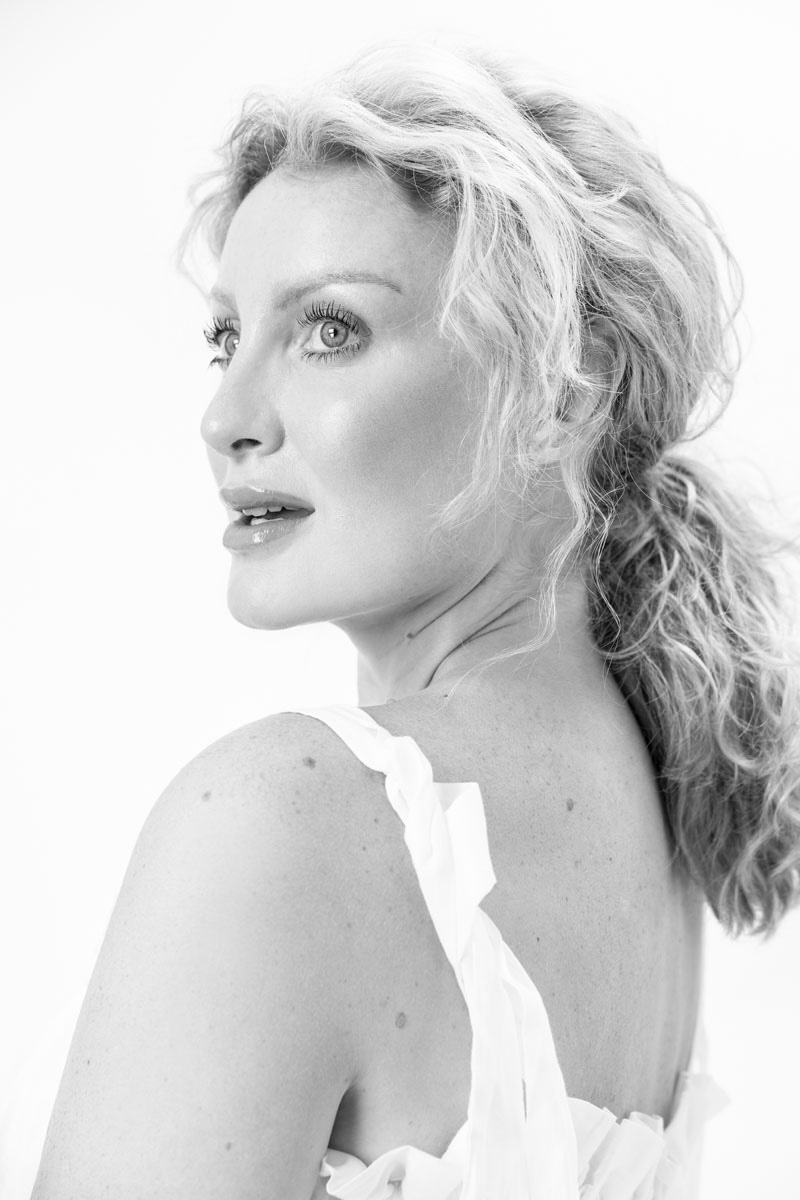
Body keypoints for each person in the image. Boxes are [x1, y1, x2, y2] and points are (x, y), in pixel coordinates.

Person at [31, 35, 800, 1200]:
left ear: (564, 389)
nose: (226, 417)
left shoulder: (283, 821)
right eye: (226, 338)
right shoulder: (659, 809)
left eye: (329, 330)